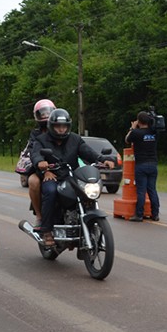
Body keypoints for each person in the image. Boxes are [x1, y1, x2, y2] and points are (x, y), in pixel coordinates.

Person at [30, 108, 115, 246]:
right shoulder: (42, 140)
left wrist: (102, 159)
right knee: (51, 191)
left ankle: (82, 220)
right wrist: (41, 162)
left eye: (64, 126)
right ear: (51, 126)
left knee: (85, 192)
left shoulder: (75, 139)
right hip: (52, 176)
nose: (61, 129)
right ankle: (46, 230)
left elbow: (88, 152)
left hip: (71, 176)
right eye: (58, 126)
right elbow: (35, 154)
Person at [125, 111, 161, 222]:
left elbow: (127, 140)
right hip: (153, 164)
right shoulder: (154, 132)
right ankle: (155, 214)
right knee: (152, 190)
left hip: (141, 165)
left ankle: (139, 215)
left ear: (139, 121)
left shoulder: (136, 133)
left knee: (141, 191)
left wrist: (132, 128)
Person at [27, 99, 56, 228]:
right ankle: (40, 216)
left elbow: (77, 147)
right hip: (40, 169)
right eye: (42, 113)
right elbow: (34, 152)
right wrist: (43, 167)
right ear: (37, 116)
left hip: (61, 168)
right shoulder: (36, 135)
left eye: (48, 112)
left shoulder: (61, 130)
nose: (46, 115)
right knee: (33, 182)